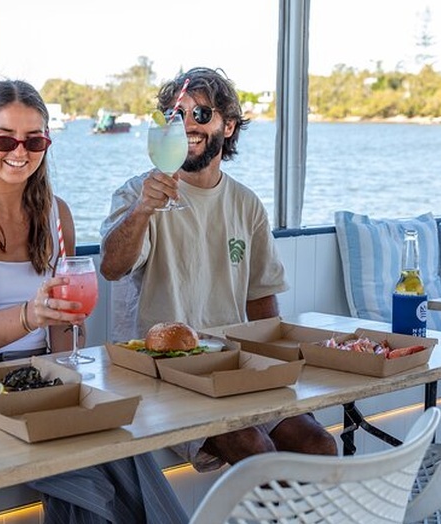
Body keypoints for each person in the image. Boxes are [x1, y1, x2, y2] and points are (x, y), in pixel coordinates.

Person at [0, 79, 188, 523]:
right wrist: (31, 315)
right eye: (4, 138)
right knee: (88, 484)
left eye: (35, 139)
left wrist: (72, 375)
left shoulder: (56, 214)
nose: (19, 151)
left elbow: (63, 327)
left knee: (125, 447)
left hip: (40, 376)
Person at [99, 67, 338, 472]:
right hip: (161, 375)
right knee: (256, 450)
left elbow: (262, 300)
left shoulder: (246, 204)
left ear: (228, 126)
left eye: (202, 114)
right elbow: (111, 267)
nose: (188, 125)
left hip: (230, 369)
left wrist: (274, 378)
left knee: (319, 445)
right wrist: (142, 210)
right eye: (178, 115)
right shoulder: (138, 194)